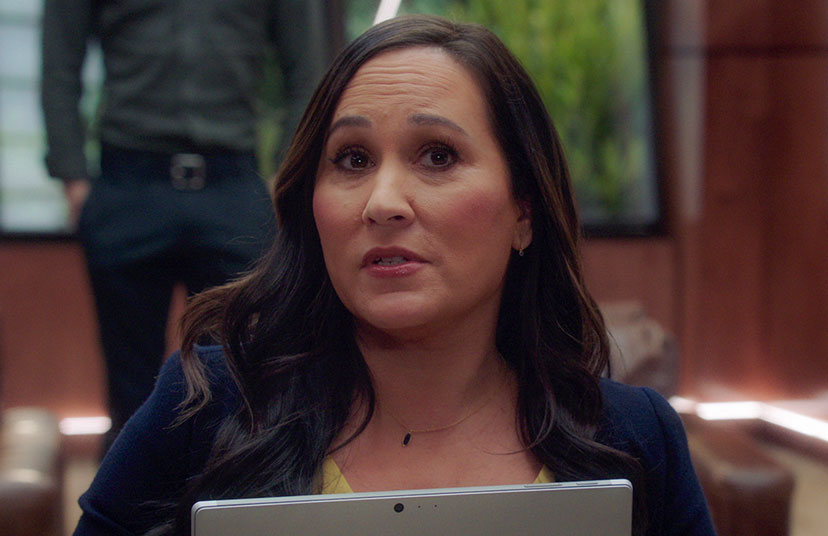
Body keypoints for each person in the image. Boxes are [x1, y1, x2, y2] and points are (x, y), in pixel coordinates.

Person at [73, 15, 715, 536]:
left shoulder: (636, 438)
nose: (382, 203)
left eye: (438, 156)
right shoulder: (201, 410)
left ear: (523, 212)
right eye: (352, 159)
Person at [40, 0, 327, 449]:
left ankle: (228, 492)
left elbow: (307, 69)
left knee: (238, 389)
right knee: (129, 394)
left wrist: (285, 177)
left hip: (232, 183)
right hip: (129, 182)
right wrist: (72, 176)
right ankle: (128, 496)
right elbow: (59, 61)